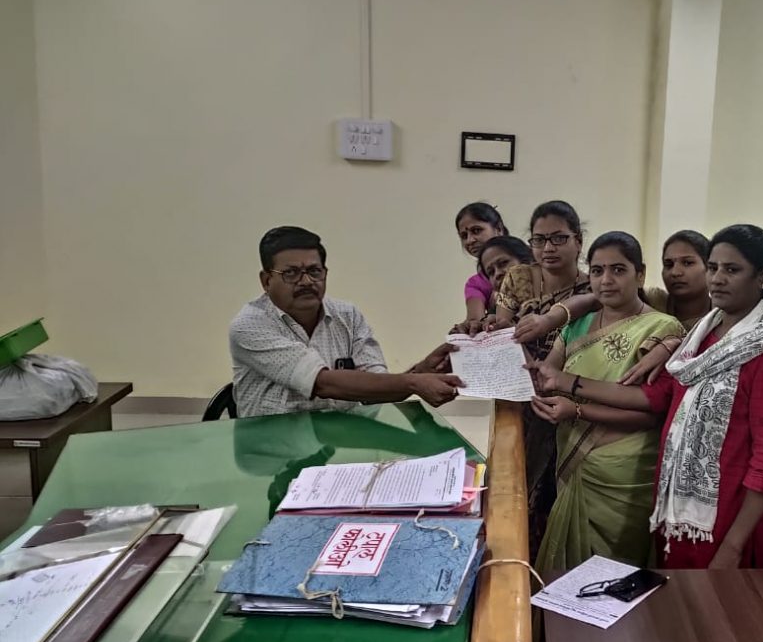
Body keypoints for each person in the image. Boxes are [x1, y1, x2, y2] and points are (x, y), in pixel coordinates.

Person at [532, 224, 763, 569]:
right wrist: (569, 384)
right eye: (713, 268)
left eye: (732, 270)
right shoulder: (700, 337)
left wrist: (734, 547)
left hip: (729, 520)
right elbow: (657, 397)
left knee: (715, 603)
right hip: (676, 514)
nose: (718, 279)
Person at [530, 232, 684, 571]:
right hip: (573, 457)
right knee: (567, 574)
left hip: (624, 470)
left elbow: (651, 414)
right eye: (597, 271)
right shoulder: (577, 326)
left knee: (617, 573)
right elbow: (546, 379)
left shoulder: (662, 329)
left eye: (618, 270)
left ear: (640, 274)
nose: (606, 280)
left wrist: (576, 408)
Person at [230, 226, 463, 418]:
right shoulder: (250, 324)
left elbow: (377, 391)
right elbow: (322, 383)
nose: (306, 281)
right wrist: (414, 382)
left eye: (314, 271)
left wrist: (422, 370)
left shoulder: (347, 315)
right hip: (271, 449)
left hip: (342, 442)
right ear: (266, 280)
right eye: (291, 273)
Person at [488, 200, 592, 555]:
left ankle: (547, 557)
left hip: (568, 399)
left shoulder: (593, 287)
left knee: (554, 490)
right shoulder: (519, 277)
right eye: (539, 239)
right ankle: (516, 555)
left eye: (559, 238)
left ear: (578, 240)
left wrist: (549, 321)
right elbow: (504, 331)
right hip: (518, 394)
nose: (548, 248)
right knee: (513, 480)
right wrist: (489, 329)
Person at [515, 230, 712, 386]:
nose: (676, 272)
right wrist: (546, 321)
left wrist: (674, 343)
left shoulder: (678, 324)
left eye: (687, 263)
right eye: (597, 271)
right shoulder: (655, 299)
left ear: (640, 275)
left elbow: (650, 402)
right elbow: (593, 299)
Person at [456, 202, 509, 335]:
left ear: (498, 228)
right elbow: (475, 319)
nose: (470, 240)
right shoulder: (476, 283)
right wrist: (470, 325)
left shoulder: (533, 260)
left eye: (476, 231)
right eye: (464, 236)